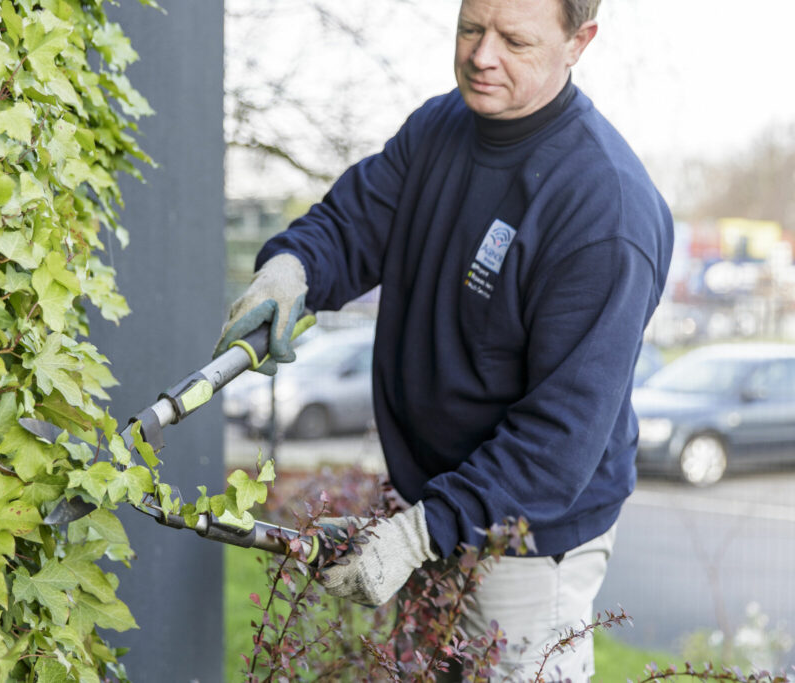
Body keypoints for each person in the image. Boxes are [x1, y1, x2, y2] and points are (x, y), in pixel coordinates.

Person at [214, 0, 673, 678]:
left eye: (514, 40)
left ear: (580, 43)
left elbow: (558, 442)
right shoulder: (441, 128)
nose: (482, 56)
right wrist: (294, 267)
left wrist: (420, 531)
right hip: (435, 513)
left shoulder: (604, 209)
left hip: (525, 546)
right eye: (470, 28)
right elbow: (349, 226)